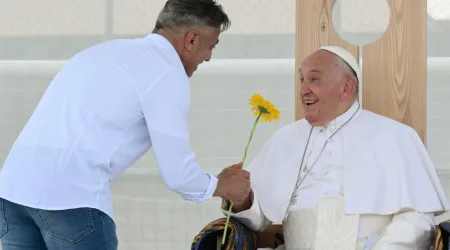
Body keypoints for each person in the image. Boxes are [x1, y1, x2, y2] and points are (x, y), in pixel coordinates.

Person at [0, 0, 251, 249]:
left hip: (11, 194)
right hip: (70, 202)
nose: (208, 58)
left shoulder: (103, 52)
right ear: (192, 39)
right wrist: (220, 185)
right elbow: (179, 175)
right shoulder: (166, 72)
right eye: (211, 47)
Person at [215, 46, 450, 249]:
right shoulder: (284, 139)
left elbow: (417, 220)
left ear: (346, 87)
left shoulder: (397, 136)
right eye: (301, 79)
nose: (303, 89)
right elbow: (259, 219)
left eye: (314, 79)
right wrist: (242, 199)